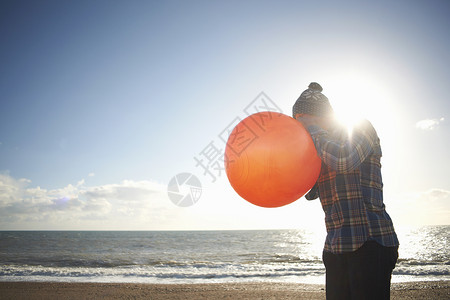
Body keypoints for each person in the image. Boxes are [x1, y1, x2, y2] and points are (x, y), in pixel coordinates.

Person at [293, 82, 400, 300]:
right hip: (335, 246)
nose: (301, 126)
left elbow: (344, 160)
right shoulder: (317, 146)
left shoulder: (360, 127)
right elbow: (309, 192)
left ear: (320, 117)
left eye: (303, 119)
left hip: (371, 242)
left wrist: (313, 131)